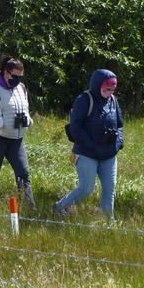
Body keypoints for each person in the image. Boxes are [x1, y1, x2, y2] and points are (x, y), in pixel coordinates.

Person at [54, 70, 124, 219]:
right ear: (98, 84)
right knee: (86, 188)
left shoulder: (113, 100)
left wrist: (119, 142)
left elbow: (119, 125)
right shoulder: (84, 99)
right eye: (107, 88)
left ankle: (108, 222)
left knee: (109, 189)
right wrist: (92, 146)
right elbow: (75, 127)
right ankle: (59, 207)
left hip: (109, 153)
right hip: (86, 153)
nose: (110, 91)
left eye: (113, 89)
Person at [0, 56, 35, 208]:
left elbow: (24, 109)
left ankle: (30, 209)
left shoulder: (21, 88)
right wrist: (1, 123)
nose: (18, 80)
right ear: (6, 72)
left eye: (20, 77)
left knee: (23, 173)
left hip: (16, 139)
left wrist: (28, 120)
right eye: (15, 76)